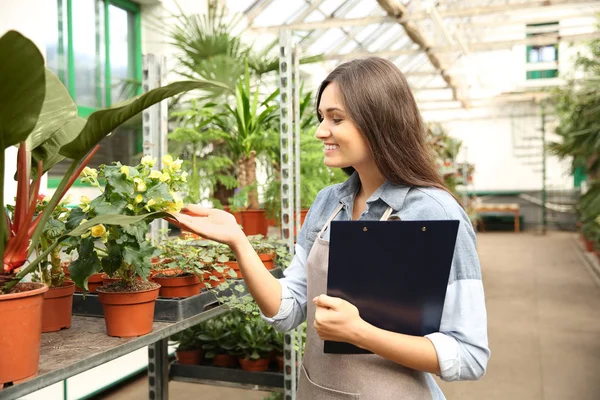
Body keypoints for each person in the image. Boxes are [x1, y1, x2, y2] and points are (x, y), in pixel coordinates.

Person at [170, 57, 490, 399]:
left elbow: (469, 354)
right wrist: (238, 239)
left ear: (379, 121)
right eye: (322, 118)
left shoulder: (435, 212)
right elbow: (287, 310)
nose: (321, 131)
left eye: (336, 119)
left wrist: (359, 332)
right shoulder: (328, 203)